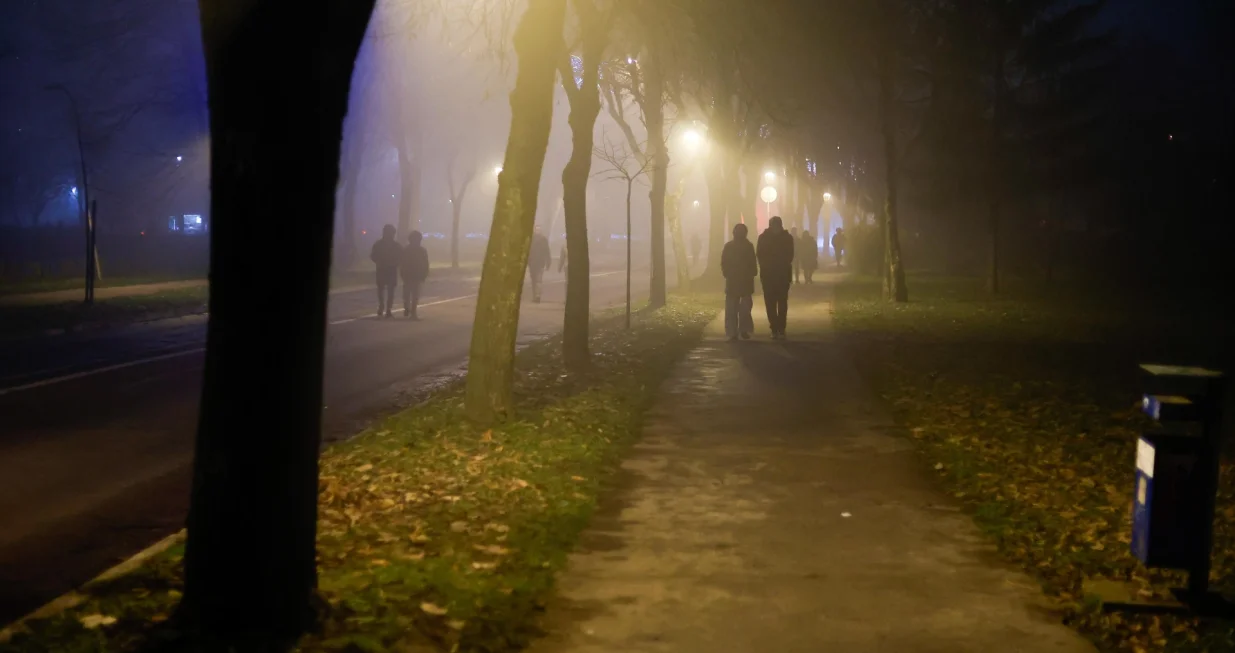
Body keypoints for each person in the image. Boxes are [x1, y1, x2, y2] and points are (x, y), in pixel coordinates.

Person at [756, 216, 795, 339]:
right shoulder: (784, 238)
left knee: (781, 302)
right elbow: (760, 255)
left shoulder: (784, 238)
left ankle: (781, 327)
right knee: (771, 303)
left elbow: (790, 255)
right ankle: (774, 327)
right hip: (771, 274)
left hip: (779, 274)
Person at [720, 222, 757, 341]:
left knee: (736, 308)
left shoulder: (732, 246)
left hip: (738, 280)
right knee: (738, 308)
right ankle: (739, 331)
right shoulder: (745, 246)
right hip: (739, 280)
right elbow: (724, 262)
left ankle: (736, 331)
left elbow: (724, 262)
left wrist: (726, 272)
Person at [370, 224, 402, 318]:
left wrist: (395, 263)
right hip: (383, 268)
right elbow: (373, 256)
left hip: (389, 269)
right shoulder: (380, 244)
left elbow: (401, 257)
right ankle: (383, 307)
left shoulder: (395, 245)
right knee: (382, 289)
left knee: (389, 290)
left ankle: (387, 308)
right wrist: (379, 261)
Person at [400, 230, 430, 319]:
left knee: (410, 294)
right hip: (413, 274)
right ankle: (411, 311)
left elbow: (425, 263)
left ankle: (410, 310)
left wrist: (425, 273)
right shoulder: (420, 250)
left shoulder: (407, 250)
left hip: (413, 275)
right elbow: (425, 263)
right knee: (413, 294)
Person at [528, 225, 551, 303]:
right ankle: (535, 295)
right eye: (537, 229)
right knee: (534, 280)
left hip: (539, 263)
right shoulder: (532, 239)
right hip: (533, 263)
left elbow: (547, 251)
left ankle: (537, 296)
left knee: (538, 280)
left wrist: (548, 262)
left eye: (539, 230)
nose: (538, 231)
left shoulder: (543, 240)